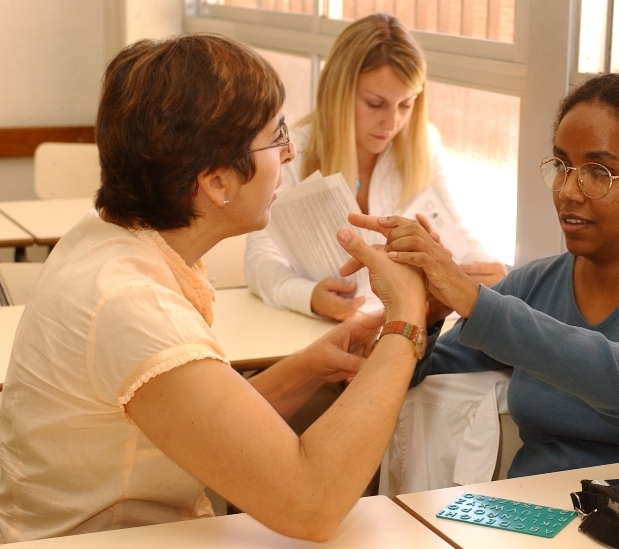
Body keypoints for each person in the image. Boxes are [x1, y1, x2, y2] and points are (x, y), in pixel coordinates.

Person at [0, 34, 427, 543]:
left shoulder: (108, 238)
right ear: (217, 182)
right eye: (277, 137)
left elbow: (195, 422)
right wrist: (407, 316)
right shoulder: (130, 304)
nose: (290, 154)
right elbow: (312, 504)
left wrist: (308, 368)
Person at [346, 73, 619, 479]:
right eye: (562, 165)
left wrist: (474, 300)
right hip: (534, 520)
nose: (568, 191)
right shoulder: (534, 285)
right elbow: (419, 382)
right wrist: (421, 317)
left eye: (598, 172)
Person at [244, 13, 505, 322]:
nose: (391, 123)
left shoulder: (423, 144)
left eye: (405, 105)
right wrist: (309, 296)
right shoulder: (290, 154)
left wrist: (492, 275)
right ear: (339, 93)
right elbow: (259, 262)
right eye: (375, 104)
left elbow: (460, 236)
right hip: (315, 334)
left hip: (404, 329)